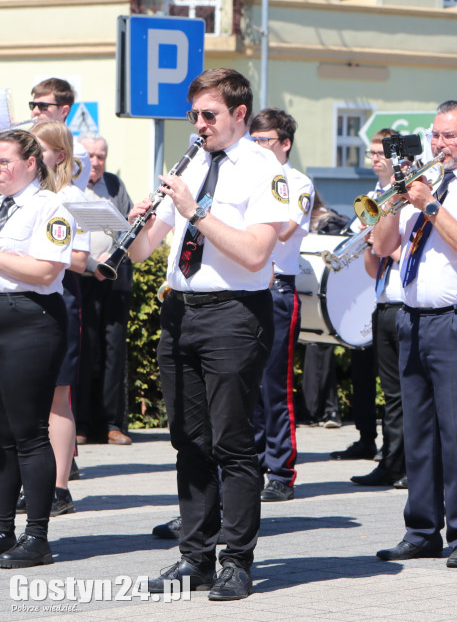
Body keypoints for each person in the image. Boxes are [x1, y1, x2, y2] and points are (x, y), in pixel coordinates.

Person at [127, 68, 287, 600]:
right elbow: (144, 250)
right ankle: (195, 556)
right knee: (189, 441)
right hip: (182, 310)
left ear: (240, 114)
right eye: (194, 114)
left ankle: (237, 560)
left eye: (209, 115)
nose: (198, 125)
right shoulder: (195, 160)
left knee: (233, 443)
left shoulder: (264, 170)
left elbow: (255, 252)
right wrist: (133, 224)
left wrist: (193, 211)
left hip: (235, 313)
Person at [373, 100, 457, 568]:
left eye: (449, 136)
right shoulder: (423, 187)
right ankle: (422, 529)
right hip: (413, 318)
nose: (438, 144)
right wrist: (394, 199)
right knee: (421, 434)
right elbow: (383, 246)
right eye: (434, 136)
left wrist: (427, 203)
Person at [0, 129, 73, 568]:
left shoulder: (50, 207)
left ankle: (38, 535)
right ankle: (3, 528)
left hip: (31, 320)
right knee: (0, 436)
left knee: (28, 432)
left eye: (5, 162)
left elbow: (46, 271)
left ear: (31, 163)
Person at [249, 108, 313, 503]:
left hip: (278, 289)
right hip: (247, 287)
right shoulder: (247, 179)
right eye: (251, 141)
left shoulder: (298, 182)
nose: (256, 148)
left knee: (275, 386)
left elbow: (283, 229)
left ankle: (281, 469)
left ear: (285, 143)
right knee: (246, 386)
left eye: (264, 141)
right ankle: (250, 463)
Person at [29, 122, 90, 517]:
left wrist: (37, 256)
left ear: (60, 155)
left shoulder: (72, 197)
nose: (33, 156)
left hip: (60, 297)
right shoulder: (25, 195)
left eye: (40, 149)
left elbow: (82, 259)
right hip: (23, 299)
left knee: (57, 397)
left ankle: (59, 487)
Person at [353, 127, 408, 488]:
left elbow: (416, 254)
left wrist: (384, 243)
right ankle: (390, 462)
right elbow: (374, 267)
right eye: (371, 153)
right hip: (384, 300)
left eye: (380, 153)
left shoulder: (408, 195)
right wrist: (369, 245)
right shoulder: (374, 196)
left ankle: (409, 465)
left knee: (409, 393)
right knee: (390, 393)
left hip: (408, 300)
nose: (374, 159)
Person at [77, 133, 134, 445]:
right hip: (82, 281)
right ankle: (82, 424)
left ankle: (112, 423)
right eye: (90, 156)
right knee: (85, 350)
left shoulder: (115, 185)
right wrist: (90, 266)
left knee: (114, 351)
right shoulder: (70, 186)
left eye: (101, 156)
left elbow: (127, 228)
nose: (96, 162)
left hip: (114, 281)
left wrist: (109, 262)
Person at [299, 193, 348, 427]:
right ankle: (322, 410)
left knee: (319, 348)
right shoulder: (317, 221)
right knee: (317, 349)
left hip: (321, 294)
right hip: (312, 293)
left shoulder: (327, 222)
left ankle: (323, 411)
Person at [28, 78, 90, 192]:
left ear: (64, 111)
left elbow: (53, 188)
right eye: (33, 105)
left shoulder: (76, 151)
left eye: (43, 106)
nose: (35, 111)